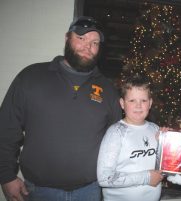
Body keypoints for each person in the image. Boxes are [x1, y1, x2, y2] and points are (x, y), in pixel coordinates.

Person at [0, 16, 122, 201]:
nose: (88, 47)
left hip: (89, 191)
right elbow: (6, 128)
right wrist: (6, 176)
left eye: (94, 42)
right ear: (67, 39)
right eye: (81, 38)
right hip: (38, 190)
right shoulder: (31, 77)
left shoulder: (108, 89)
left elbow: (119, 136)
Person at [97, 74, 164, 201]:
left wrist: (168, 144)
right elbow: (104, 178)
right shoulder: (116, 133)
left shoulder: (155, 129)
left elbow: (163, 167)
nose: (138, 106)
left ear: (150, 103)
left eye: (143, 101)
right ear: (122, 103)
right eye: (132, 100)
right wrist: (146, 178)